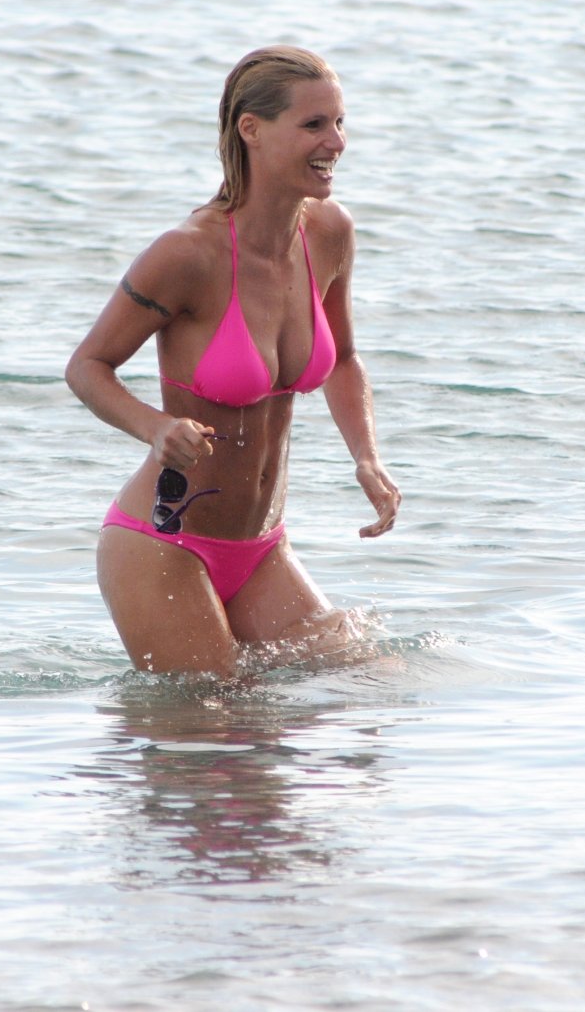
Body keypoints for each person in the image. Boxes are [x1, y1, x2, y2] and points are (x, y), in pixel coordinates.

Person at [66, 45, 400, 678]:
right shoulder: (187, 254)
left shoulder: (329, 233)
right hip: (163, 544)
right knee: (210, 725)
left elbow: (345, 359)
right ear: (252, 129)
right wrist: (155, 427)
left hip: (262, 547)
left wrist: (367, 456)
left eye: (339, 122)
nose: (337, 142)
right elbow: (87, 366)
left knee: (369, 684)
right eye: (314, 124)